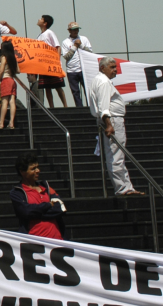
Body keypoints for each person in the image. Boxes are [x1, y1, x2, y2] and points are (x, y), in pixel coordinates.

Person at [89, 56, 143, 196]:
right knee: (115, 155)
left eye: (116, 67)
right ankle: (122, 189)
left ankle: (127, 187)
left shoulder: (99, 81)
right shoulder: (103, 82)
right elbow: (104, 106)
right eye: (112, 67)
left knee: (119, 155)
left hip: (112, 119)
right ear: (103, 68)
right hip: (112, 120)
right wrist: (109, 124)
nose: (115, 70)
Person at [10, 151, 65, 239]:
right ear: (22, 172)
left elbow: (60, 208)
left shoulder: (46, 187)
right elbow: (26, 212)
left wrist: (36, 212)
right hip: (34, 244)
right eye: (33, 169)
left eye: (38, 167)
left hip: (57, 241)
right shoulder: (17, 193)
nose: (38, 171)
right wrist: (48, 205)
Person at [35, 15, 67, 108]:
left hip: (51, 63)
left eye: (41, 19)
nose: (39, 19)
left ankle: (65, 106)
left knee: (58, 85)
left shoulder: (49, 33)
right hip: (43, 65)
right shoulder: (39, 36)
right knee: (47, 87)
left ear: (45, 23)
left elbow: (57, 47)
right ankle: (51, 107)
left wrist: (57, 61)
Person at [0, 41, 22, 130]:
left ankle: (1, 123)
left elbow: (1, 70)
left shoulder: (4, 57)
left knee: (4, 102)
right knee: (12, 102)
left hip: (5, 80)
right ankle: (11, 123)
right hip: (12, 80)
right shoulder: (13, 58)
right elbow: (18, 71)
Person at [61, 22, 91, 107]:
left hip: (84, 69)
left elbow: (90, 53)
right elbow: (66, 57)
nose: (76, 31)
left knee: (87, 90)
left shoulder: (84, 39)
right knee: (75, 92)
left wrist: (81, 45)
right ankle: (79, 108)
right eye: (74, 30)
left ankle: (90, 107)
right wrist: (74, 47)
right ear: (69, 31)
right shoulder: (65, 42)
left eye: (77, 29)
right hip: (72, 70)